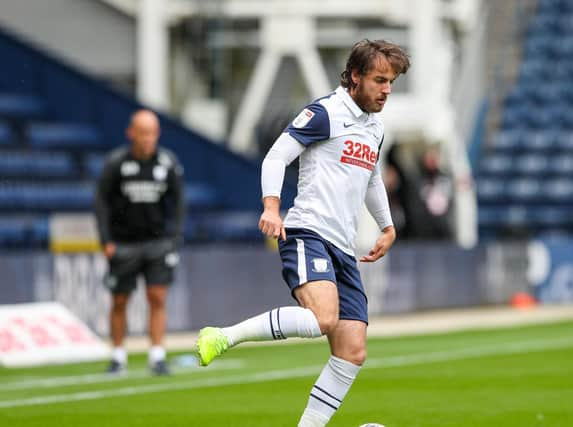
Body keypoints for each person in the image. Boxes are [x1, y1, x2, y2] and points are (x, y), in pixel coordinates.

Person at [196, 39, 410, 426]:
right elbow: (277, 155)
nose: (387, 90)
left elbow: (371, 176)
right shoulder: (325, 113)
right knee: (322, 318)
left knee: (352, 350)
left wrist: (387, 225)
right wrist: (272, 206)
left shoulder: (374, 128)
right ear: (356, 77)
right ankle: (225, 335)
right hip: (308, 232)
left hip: (343, 247)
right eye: (380, 80)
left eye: (391, 82)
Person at [95, 109, 185, 376]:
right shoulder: (116, 164)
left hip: (157, 244)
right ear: (131, 133)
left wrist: (175, 238)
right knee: (119, 300)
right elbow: (101, 201)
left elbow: (179, 202)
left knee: (157, 296)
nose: (147, 139)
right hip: (123, 244)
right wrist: (105, 240)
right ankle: (118, 356)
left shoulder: (168, 163)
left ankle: (157, 355)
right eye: (142, 132)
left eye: (152, 133)